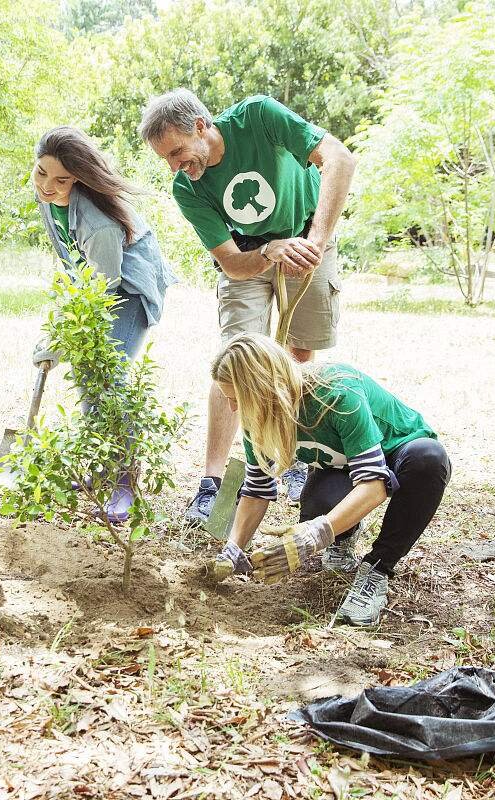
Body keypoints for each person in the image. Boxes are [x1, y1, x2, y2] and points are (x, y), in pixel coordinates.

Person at [138, 89, 357, 530]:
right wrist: (271, 251)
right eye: (167, 160)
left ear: (201, 126)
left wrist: (314, 242)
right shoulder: (187, 188)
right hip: (250, 257)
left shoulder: (258, 117)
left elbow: (339, 159)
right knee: (233, 362)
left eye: (178, 152)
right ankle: (212, 482)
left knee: (299, 353)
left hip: (308, 234)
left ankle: (292, 453)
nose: (176, 167)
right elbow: (233, 263)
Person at [205, 333, 450, 627]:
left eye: (237, 399)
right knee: (317, 507)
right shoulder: (256, 414)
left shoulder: (336, 394)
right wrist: (234, 547)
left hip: (399, 453)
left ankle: (377, 569)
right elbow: (257, 488)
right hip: (346, 464)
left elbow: (373, 484)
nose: (233, 409)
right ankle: (343, 540)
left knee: (428, 460)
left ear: (263, 388)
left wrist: (317, 533)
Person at [29, 126, 177, 523]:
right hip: (96, 283)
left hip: (126, 287)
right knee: (86, 375)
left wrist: (61, 335)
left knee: (108, 379)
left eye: (61, 179)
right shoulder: (44, 192)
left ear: (79, 177)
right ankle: (99, 467)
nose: (47, 185)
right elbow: (68, 255)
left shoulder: (100, 222)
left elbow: (104, 282)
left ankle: (126, 481)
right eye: (42, 172)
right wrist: (62, 318)